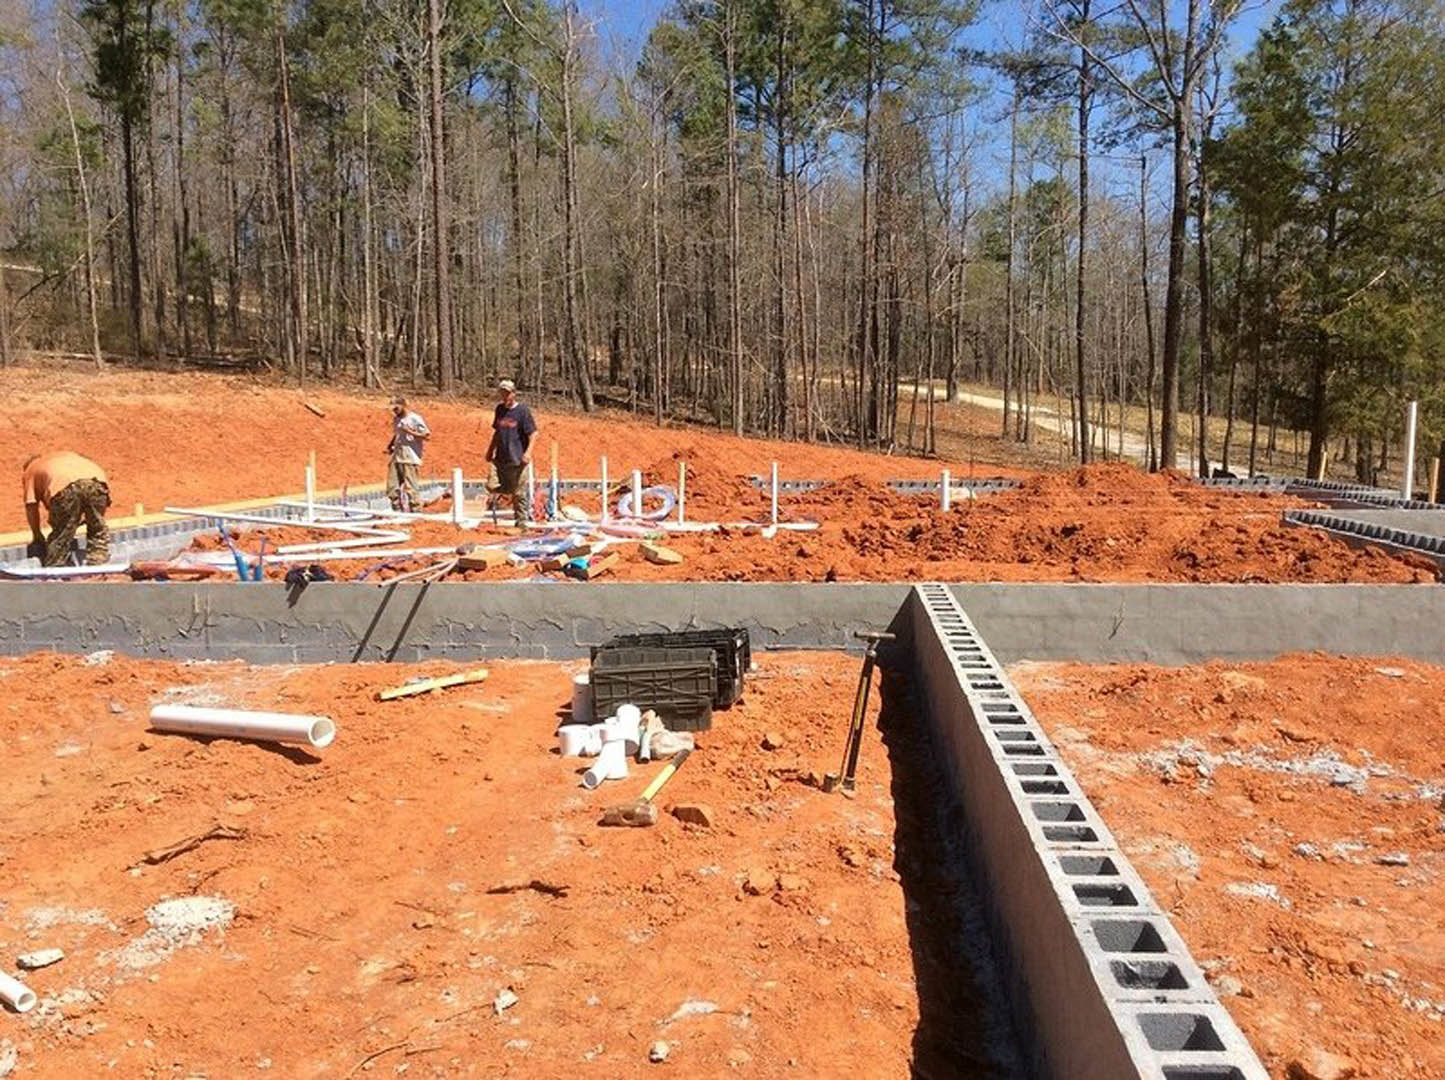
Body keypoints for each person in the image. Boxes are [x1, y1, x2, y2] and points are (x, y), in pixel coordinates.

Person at [23, 451, 112, 567]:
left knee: (61, 534)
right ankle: (98, 565)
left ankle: (56, 569)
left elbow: (31, 506)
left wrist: (37, 534)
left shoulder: (31, 469)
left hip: (65, 486)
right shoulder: (64, 457)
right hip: (98, 482)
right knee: (97, 528)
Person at [486, 378, 537, 527]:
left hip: (518, 458)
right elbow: (497, 432)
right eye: (502, 393)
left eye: (507, 393)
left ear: (513, 394)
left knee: (519, 492)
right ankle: (501, 500)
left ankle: (521, 522)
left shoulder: (522, 411)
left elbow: (533, 434)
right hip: (501, 458)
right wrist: (490, 450)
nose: (505, 396)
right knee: (491, 484)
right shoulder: (499, 410)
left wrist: (528, 453)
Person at [386, 395, 430, 512]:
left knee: (411, 487)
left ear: (403, 406)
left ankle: (415, 511)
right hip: (397, 456)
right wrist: (390, 445)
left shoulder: (415, 419)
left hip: (410, 457)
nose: (394, 411)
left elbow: (426, 435)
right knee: (392, 486)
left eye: (396, 408)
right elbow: (397, 433)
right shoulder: (396, 419)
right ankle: (397, 510)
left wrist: (409, 431)